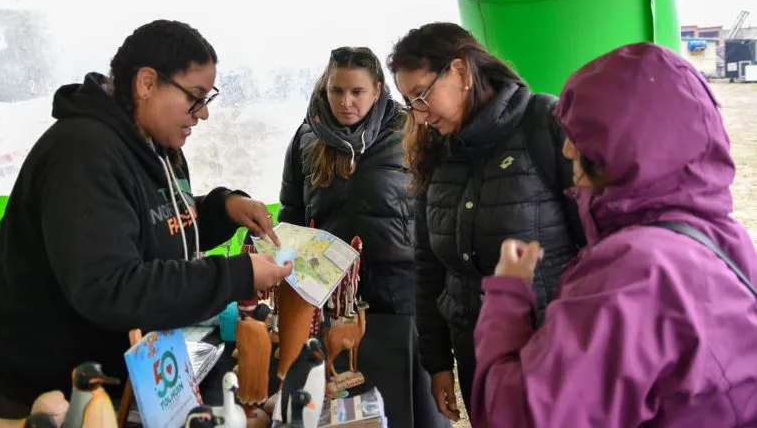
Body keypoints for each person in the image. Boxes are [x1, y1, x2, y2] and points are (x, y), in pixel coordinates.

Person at [0, 20, 292, 418]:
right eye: (195, 97)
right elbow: (111, 285)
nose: (202, 114)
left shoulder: (156, 142)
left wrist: (222, 210)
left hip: (113, 367)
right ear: (147, 83)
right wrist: (235, 275)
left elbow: (154, 224)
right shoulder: (82, 155)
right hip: (41, 378)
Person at [470, 42, 757, 427]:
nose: (569, 150)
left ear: (627, 146)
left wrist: (507, 293)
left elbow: (515, 416)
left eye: (583, 136)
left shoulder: (635, 271)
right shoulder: (727, 239)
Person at [387, 23, 586, 423]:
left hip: (553, 352)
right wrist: (439, 363)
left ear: (460, 72)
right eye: (411, 104)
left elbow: (595, 244)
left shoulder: (544, 123)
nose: (420, 117)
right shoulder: (434, 153)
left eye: (422, 97)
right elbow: (429, 268)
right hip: (475, 350)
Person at [278, 46, 448, 427]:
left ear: (377, 90)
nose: (346, 102)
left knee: (415, 406)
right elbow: (291, 210)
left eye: (357, 92)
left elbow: (440, 204)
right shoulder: (307, 137)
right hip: (334, 296)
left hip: (402, 292)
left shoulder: (412, 130)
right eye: (337, 91)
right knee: (348, 401)